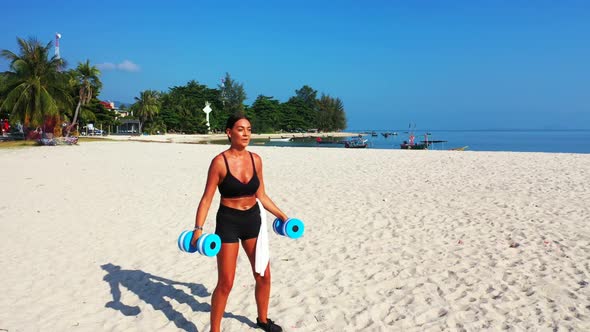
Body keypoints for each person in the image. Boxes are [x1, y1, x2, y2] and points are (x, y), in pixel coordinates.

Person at [191, 113, 288, 332]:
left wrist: (283, 217)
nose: (246, 134)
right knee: (226, 282)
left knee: (263, 274)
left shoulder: (256, 160)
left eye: (249, 129)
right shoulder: (219, 162)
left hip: (253, 220)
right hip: (229, 222)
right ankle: (214, 330)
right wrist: (198, 229)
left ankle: (262, 320)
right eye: (241, 129)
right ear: (229, 132)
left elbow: (261, 195)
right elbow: (207, 199)